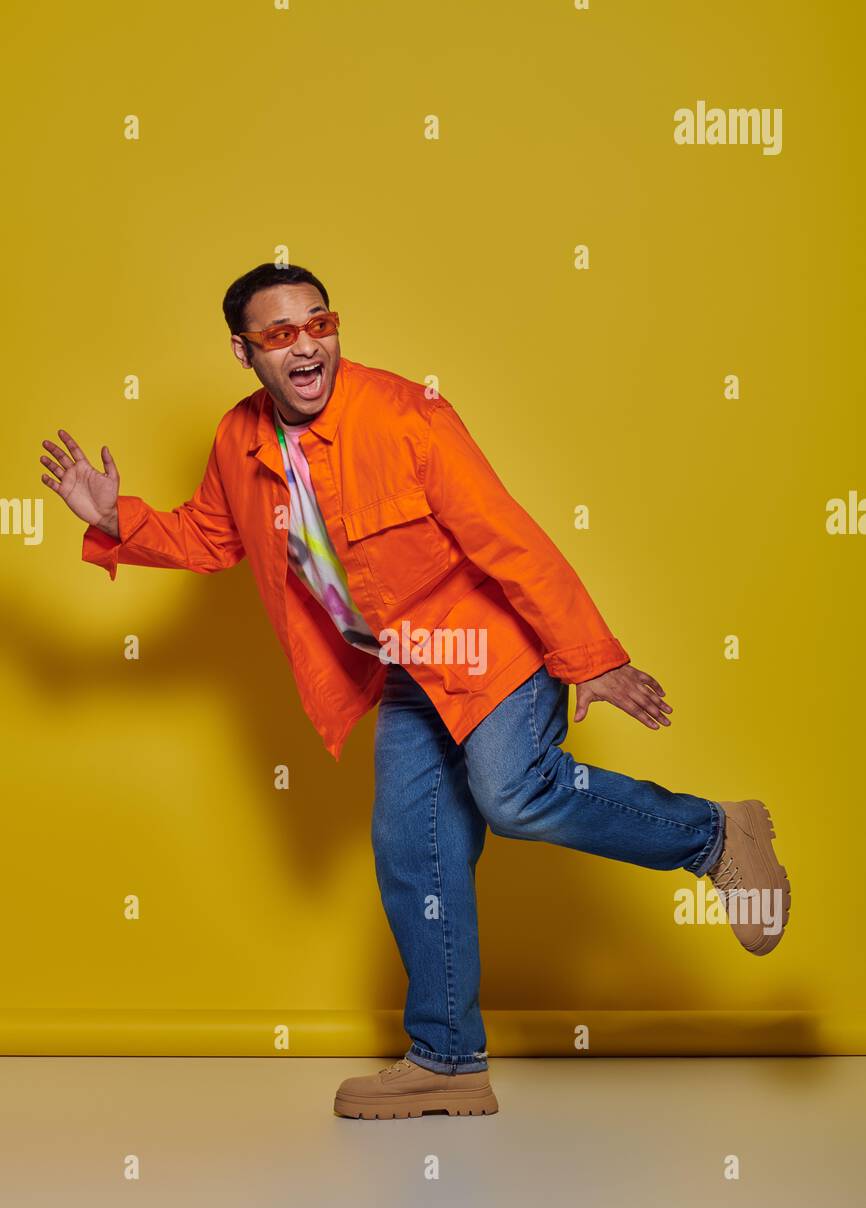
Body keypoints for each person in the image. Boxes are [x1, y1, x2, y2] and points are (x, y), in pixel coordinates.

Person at [39, 263, 791, 1121]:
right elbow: (211, 536)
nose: (307, 344)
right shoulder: (238, 442)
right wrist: (113, 520)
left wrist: (590, 657)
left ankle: (713, 834)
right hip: (408, 674)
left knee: (510, 792)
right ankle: (447, 1059)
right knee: (412, 850)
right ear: (245, 352)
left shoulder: (405, 417)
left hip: (493, 651)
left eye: (318, 322)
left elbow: (509, 539)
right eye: (280, 334)